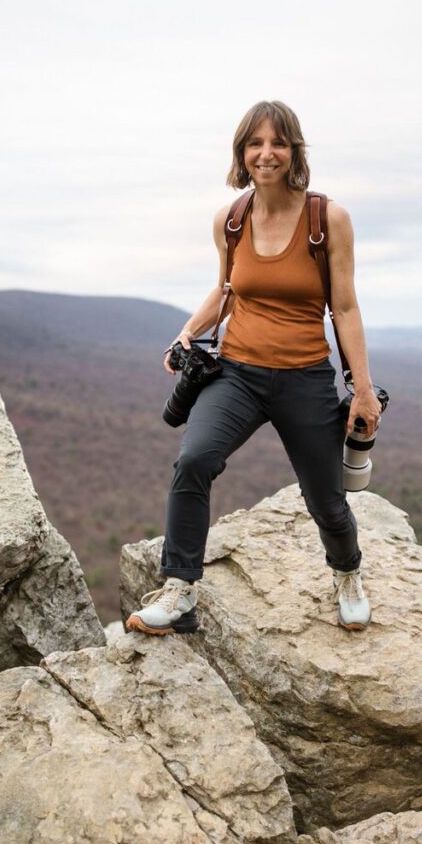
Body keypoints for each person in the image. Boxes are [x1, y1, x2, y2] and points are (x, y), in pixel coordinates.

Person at [126, 100, 382, 636]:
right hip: (237, 373)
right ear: (242, 153)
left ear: (294, 151)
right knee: (193, 460)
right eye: (255, 144)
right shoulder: (231, 220)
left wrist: (360, 389)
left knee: (327, 500)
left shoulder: (326, 219)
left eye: (278, 143)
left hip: (306, 375)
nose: (267, 154)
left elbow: (347, 307)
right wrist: (186, 333)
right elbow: (226, 293)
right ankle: (179, 590)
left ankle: (347, 575)